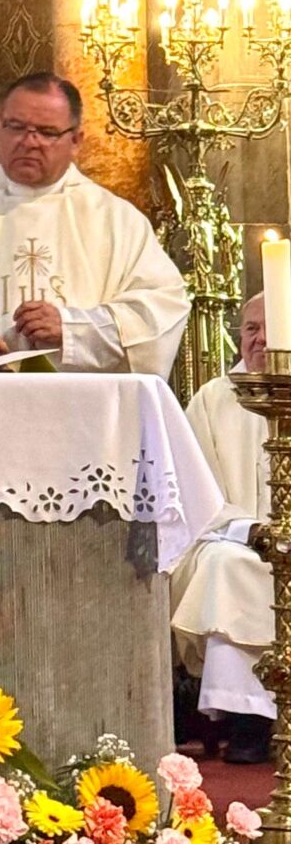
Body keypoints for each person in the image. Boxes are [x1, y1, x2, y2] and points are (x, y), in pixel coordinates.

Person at [0, 72, 188, 375]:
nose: (29, 142)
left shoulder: (116, 220)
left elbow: (161, 310)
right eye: (15, 127)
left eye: (46, 132)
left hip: (81, 400)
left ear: (76, 140)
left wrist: (72, 329)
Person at [171, 295, 274, 763]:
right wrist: (248, 531)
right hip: (231, 538)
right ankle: (248, 718)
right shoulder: (214, 399)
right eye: (251, 329)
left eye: (274, 328)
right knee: (226, 565)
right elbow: (192, 492)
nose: (261, 339)